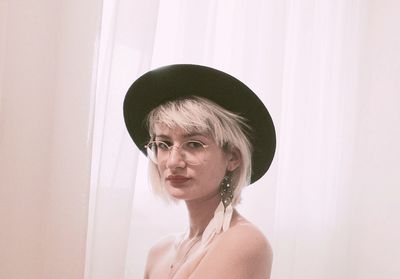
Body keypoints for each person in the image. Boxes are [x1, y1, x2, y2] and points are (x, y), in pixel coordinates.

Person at [123, 64, 276, 279]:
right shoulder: (159, 253)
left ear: (233, 157)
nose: (173, 161)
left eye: (194, 144)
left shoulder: (245, 242)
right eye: (163, 144)